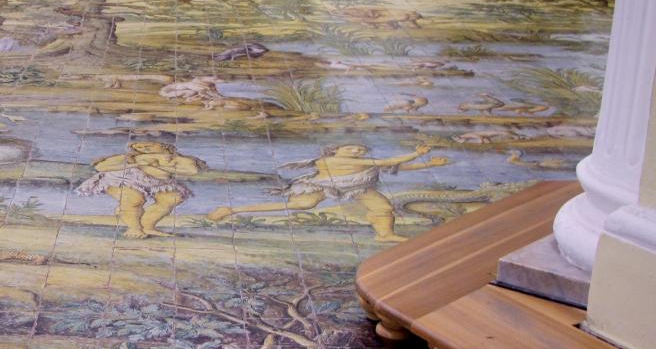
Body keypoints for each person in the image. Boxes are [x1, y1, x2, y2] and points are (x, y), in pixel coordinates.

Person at [207, 144, 448, 242]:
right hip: (322, 186)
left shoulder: (363, 163)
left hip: (356, 188)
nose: (357, 151)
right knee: (301, 205)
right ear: (336, 150)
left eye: (360, 149)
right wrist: (417, 153)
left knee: (383, 208)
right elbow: (389, 161)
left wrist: (428, 164)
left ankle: (385, 234)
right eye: (351, 148)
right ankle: (231, 209)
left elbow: (394, 167)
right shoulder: (331, 160)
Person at [77, 142, 205, 239]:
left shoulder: (178, 158)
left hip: (157, 182)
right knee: (133, 199)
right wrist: (135, 164)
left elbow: (192, 171)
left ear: (165, 145)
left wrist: (159, 167)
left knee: (173, 198)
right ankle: (134, 227)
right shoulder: (132, 156)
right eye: (139, 146)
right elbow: (100, 166)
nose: (144, 148)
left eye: (149, 145)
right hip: (123, 178)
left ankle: (147, 226)